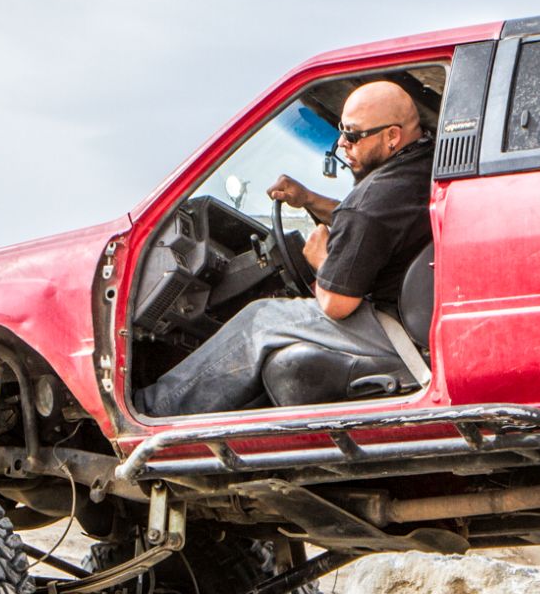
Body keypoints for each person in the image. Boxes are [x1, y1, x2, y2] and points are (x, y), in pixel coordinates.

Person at [139, 81, 434, 417]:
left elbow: (337, 303)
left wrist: (321, 260)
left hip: (390, 328)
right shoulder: (421, 163)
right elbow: (375, 227)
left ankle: (154, 413)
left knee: (260, 320)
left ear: (391, 136)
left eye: (352, 135)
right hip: (411, 313)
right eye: (341, 130)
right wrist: (308, 199)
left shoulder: (373, 200)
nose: (342, 143)